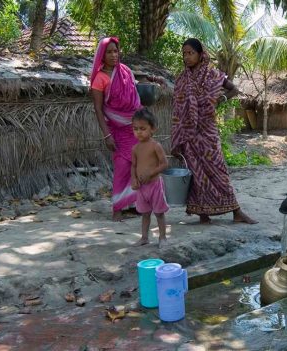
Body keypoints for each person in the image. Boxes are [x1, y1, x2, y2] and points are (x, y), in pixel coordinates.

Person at [171, 38, 257, 225]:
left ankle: (236, 211)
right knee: (196, 173)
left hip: (207, 131)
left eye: (190, 53)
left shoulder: (213, 74)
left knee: (219, 169)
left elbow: (234, 89)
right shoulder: (182, 79)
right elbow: (177, 107)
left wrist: (220, 100)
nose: (186, 57)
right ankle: (203, 214)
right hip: (190, 134)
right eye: (184, 53)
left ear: (201, 54)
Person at [90, 37, 142, 221]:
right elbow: (98, 108)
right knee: (121, 166)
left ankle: (135, 204)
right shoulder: (100, 78)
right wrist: (107, 135)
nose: (113, 55)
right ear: (102, 56)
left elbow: (134, 98)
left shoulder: (125, 71)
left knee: (136, 165)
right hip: (117, 130)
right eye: (109, 52)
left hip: (134, 128)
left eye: (116, 51)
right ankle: (117, 208)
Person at [131, 108, 169, 247]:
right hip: (142, 187)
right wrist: (133, 179)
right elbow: (133, 166)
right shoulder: (135, 149)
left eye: (143, 128)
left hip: (155, 185)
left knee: (159, 213)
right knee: (145, 213)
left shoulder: (155, 146)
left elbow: (164, 164)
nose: (139, 132)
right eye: (135, 129)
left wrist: (151, 173)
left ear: (152, 129)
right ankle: (144, 237)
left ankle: (163, 238)